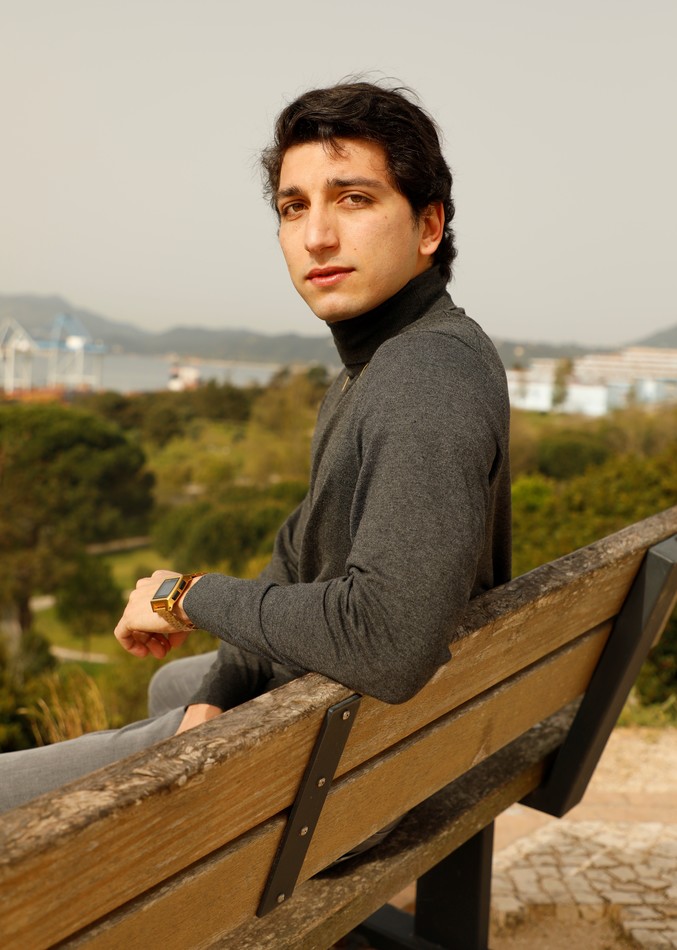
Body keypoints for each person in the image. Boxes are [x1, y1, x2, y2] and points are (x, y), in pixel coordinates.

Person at [0, 80, 511, 813]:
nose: (316, 236)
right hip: (389, 743)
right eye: (293, 207)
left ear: (428, 226)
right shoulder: (378, 368)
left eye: (353, 199)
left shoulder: (423, 374)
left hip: (358, 784)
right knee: (182, 687)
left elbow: (388, 640)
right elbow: (296, 555)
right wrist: (217, 688)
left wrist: (188, 596)